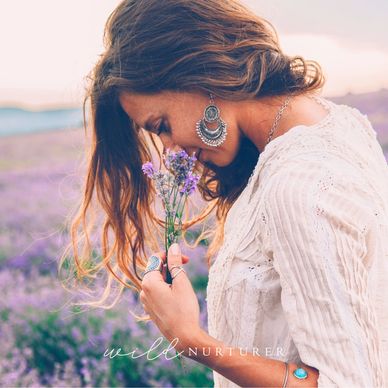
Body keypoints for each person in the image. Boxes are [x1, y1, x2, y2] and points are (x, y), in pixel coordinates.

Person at [64, 0, 388, 386]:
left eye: (162, 124)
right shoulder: (339, 124)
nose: (171, 150)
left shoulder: (296, 185)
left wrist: (191, 339)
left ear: (198, 73)